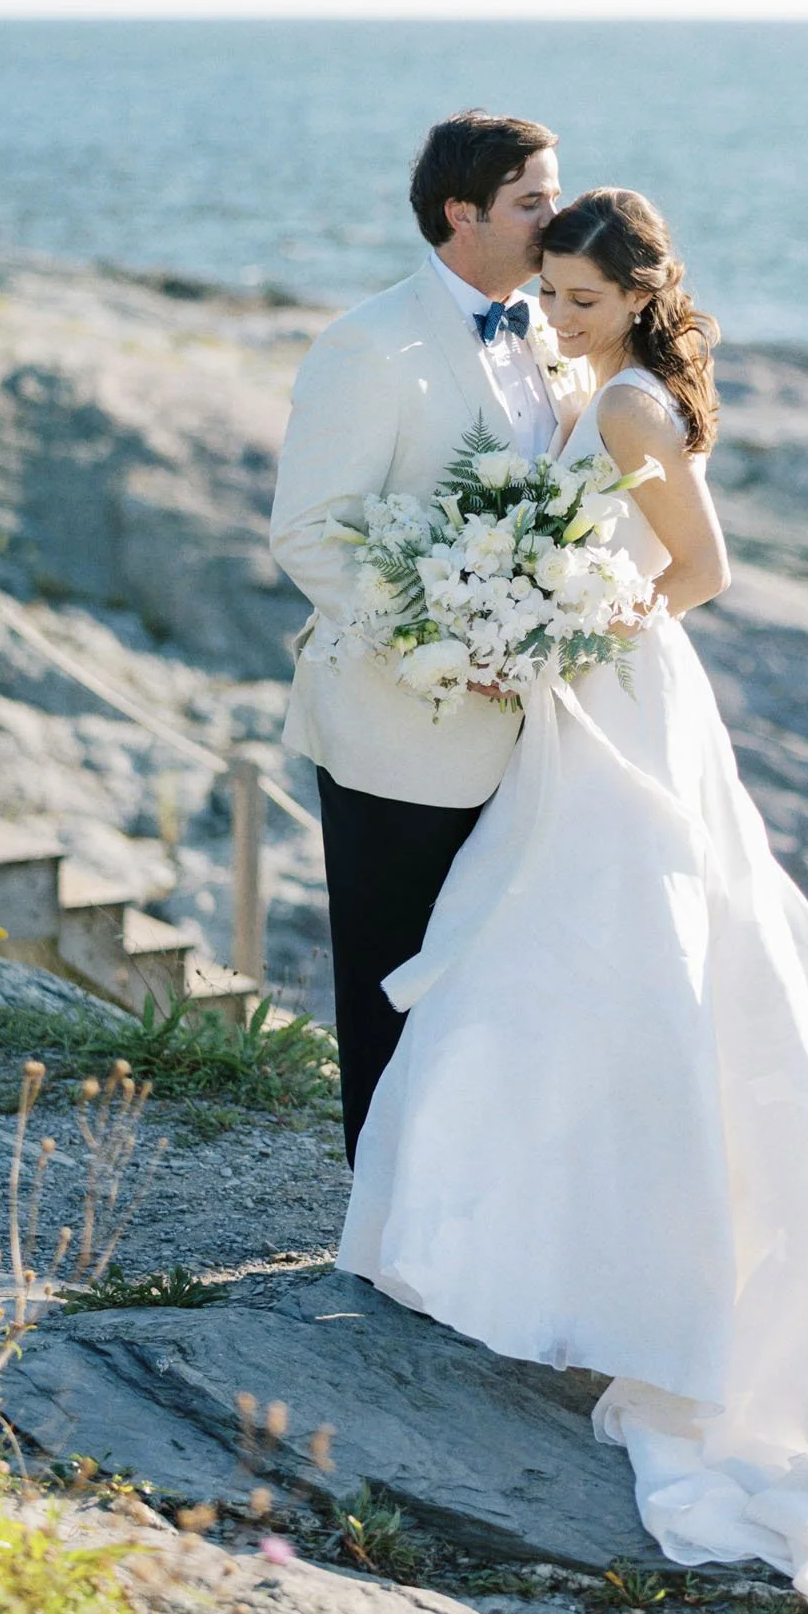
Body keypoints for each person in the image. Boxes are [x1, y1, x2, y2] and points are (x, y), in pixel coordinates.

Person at [336, 187, 808, 1614]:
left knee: (621, 949)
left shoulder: (623, 408)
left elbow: (701, 572)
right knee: (545, 943)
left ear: (630, 297)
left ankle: (598, 1270)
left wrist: (565, 618)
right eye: (544, 294)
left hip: (623, 694)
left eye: (577, 299)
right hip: (580, 697)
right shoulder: (593, 381)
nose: (554, 319)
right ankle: (520, 1252)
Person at [269, 111, 592, 1163]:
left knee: (500, 979)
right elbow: (310, 532)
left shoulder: (549, 331)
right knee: (392, 983)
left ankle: (474, 1203)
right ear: (463, 213)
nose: (558, 217)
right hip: (396, 728)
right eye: (531, 201)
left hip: (531, 735)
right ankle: (382, 1218)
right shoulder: (368, 345)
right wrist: (445, 640)